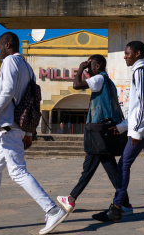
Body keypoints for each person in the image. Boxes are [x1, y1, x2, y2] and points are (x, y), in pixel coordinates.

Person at [0, 32, 66, 235]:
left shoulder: (10, 62)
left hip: (8, 127)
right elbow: (31, 101)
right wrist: (29, 131)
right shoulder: (28, 68)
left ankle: (52, 210)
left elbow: (7, 92)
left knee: (17, 172)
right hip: (16, 127)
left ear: (8, 45)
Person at [93, 41, 144, 223]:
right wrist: (122, 127)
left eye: (128, 53)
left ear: (137, 53)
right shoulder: (142, 73)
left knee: (123, 165)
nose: (125, 56)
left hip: (143, 131)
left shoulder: (140, 73)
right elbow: (138, 108)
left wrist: (135, 132)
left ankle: (117, 208)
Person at [57, 55, 133, 219]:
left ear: (98, 66)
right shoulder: (107, 81)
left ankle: (71, 199)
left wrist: (80, 68)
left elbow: (76, 85)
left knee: (89, 168)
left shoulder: (99, 79)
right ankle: (125, 204)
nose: (88, 67)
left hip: (99, 131)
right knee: (111, 168)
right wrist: (86, 69)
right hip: (105, 131)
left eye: (90, 65)